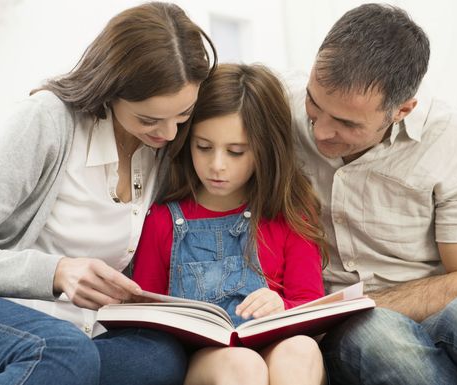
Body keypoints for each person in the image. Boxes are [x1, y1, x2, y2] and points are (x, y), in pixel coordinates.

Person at [0, 2, 217, 384]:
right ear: (111, 89)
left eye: (182, 115)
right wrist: (57, 272)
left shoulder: (165, 149)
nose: (168, 133)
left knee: (156, 359)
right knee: (61, 351)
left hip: (79, 333)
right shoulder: (48, 120)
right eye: (148, 119)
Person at [288, 4, 457, 385]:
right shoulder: (279, 108)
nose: (322, 131)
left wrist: (359, 305)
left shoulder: (455, 142)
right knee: (378, 335)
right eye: (315, 104)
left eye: (346, 123)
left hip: (433, 312)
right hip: (356, 336)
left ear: (402, 109)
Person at [132, 63, 328, 385]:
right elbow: (144, 314)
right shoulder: (162, 218)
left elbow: (310, 304)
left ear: (265, 151)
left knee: (302, 350)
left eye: (236, 152)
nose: (216, 166)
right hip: (206, 362)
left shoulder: (290, 211)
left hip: (274, 345)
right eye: (203, 147)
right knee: (242, 366)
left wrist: (282, 304)